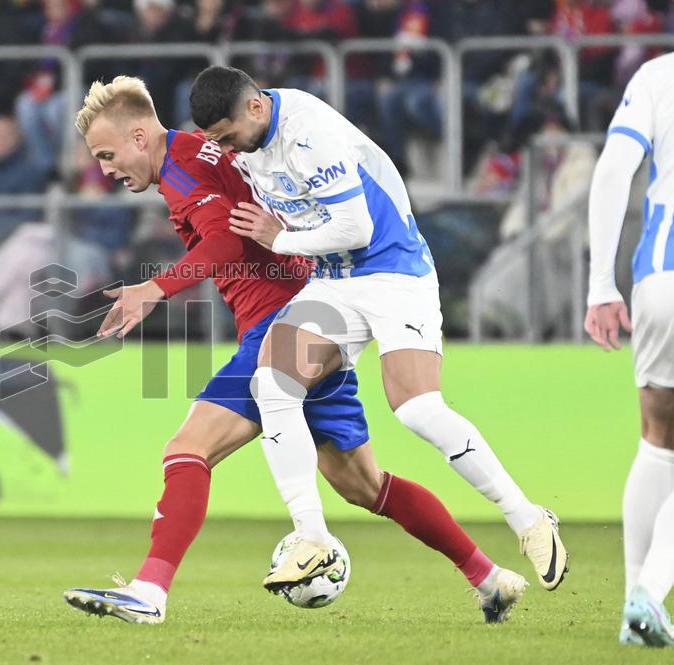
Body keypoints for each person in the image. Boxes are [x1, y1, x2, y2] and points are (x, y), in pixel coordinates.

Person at [61, 75, 527, 625]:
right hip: (315, 314)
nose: (104, 170)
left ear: (141, 136)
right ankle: (490, 578)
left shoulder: (186, 169)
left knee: (186, 450)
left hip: (281, 325)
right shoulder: (198, 154)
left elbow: (225, 240)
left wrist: (154, 288)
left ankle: (150, 591)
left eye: (107, 154)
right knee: (364, 485)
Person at [188, 66, 568, 591]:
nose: (227, 150)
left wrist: (279, 241)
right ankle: (313, 540)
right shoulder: (242, 140)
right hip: (333, 280)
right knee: (272, 383)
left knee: (416, 408)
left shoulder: (307, 132)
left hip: (392, 271)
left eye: (228, 137)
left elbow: (356, 226)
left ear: (255, 108)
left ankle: (527, 519)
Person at [584, 52, 674, 648]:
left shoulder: (658, 74)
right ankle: (651, 589)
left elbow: (614, 170)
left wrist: (600, 283)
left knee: (659, 439)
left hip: (659, 280)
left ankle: (632, 611)